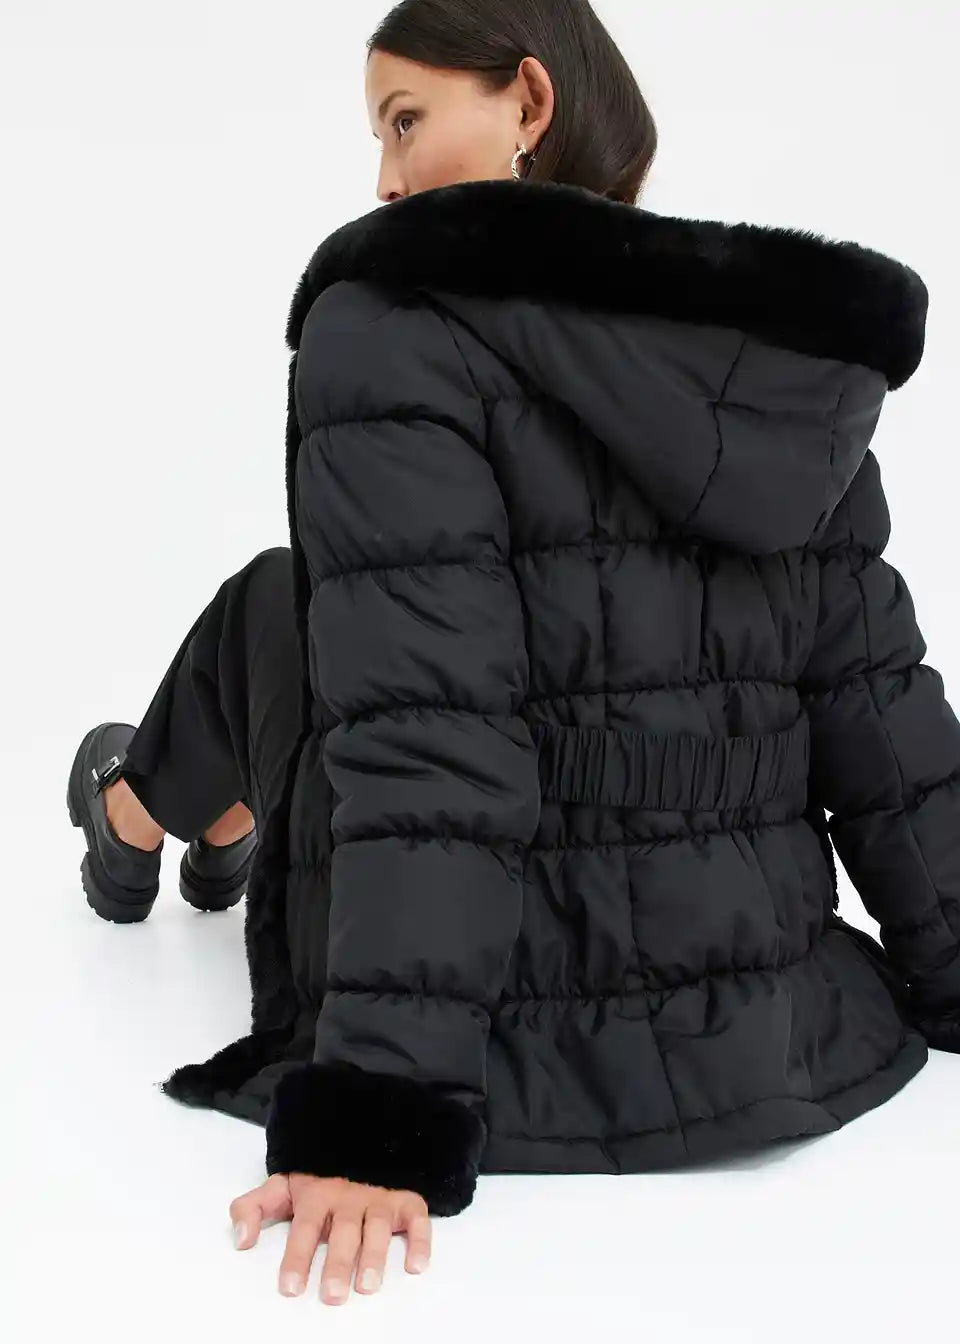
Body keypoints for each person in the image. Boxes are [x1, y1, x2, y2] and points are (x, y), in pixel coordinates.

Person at [67, 0, 960, 1309]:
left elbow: (431, 728)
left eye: (405, 120)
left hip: (513, 1048)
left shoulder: (391, 325)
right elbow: (878, 705)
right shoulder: (776, 364)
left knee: (275, 601)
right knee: (300, 601)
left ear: (530, 104)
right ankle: (193, 820)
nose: (385, 178)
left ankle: (132, 816)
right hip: (777, 1035)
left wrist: (385, 1109)